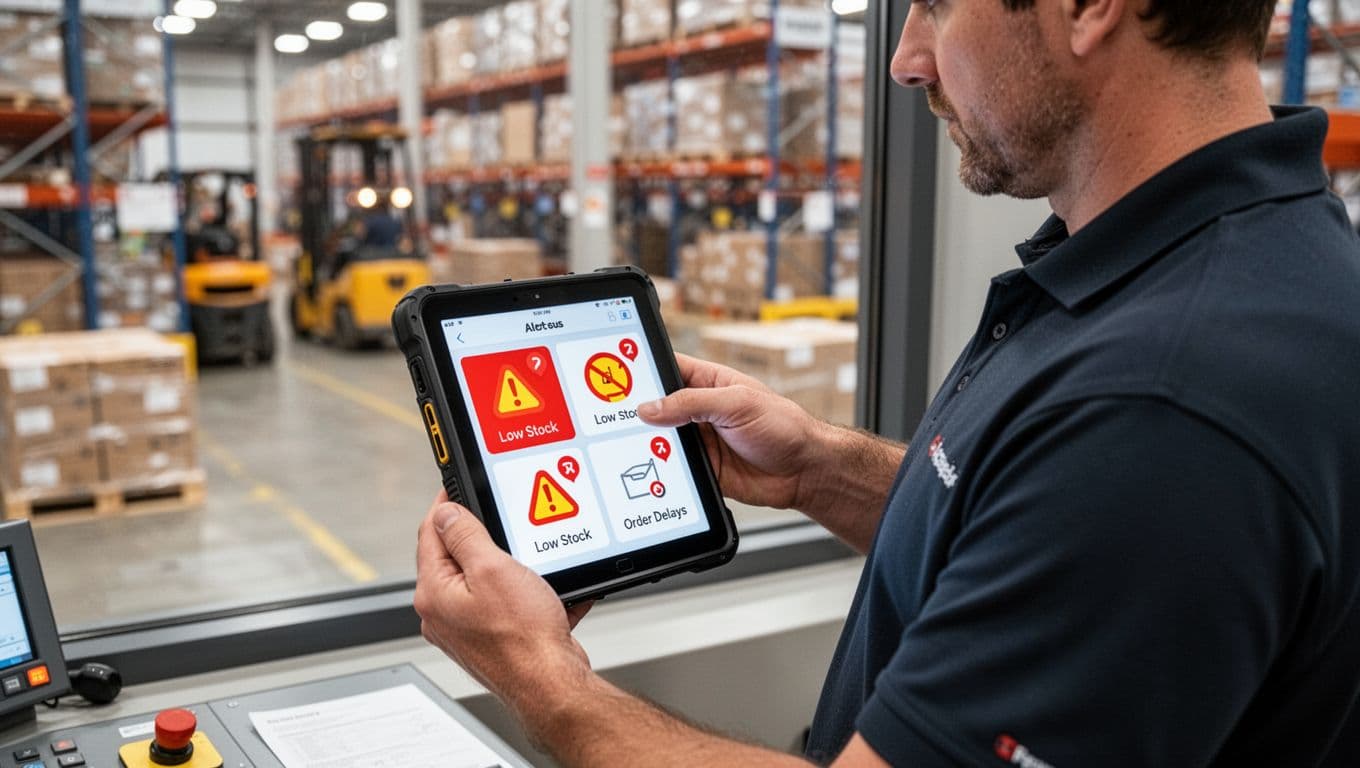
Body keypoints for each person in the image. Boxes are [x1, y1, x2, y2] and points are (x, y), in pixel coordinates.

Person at [414, 0, 1360, 764]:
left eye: (937, 7)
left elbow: (1109, 494)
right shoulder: (1238, 257)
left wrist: (544, 678)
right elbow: (1035, 526)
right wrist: (817, 470)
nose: (908, 59)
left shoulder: (1158, 410)